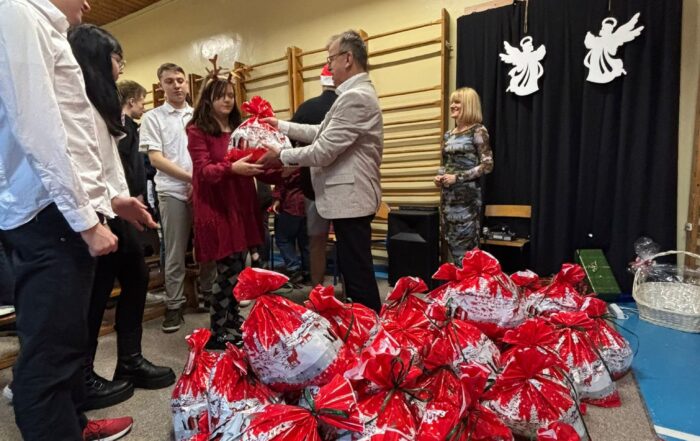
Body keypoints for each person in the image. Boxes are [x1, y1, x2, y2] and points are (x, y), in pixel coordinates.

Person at [0, 0, 135, 439]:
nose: (88, 3)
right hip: (49, 214)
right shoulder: (17, 13)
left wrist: (107, 201)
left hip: (58, 212)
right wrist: (84, 220)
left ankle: (73, 424)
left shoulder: (41, 24)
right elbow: (37, 127)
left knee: (68, 340)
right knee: (50, 353)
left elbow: (73, 134)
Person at [68, 24, 175, 411]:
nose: (121, 66)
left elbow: (110, 162)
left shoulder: (103, 101)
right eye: (117, 58)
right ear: (97, 59)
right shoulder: (75, 98)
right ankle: (81, 374)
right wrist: (96, 215)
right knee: (94, 293)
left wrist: (123, 202)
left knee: (136, 274)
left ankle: (129, 360)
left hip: (113, 205)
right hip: (91, 210)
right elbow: (78, 165)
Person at [259, 30, 383, 312]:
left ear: (347, 59)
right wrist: (280, 125)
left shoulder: (356, 97)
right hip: (348, 200)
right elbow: (319, 131)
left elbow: (322, 151)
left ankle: (370, 327)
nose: (329, 67)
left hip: (351, 200)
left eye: (331, 59)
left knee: (358, 274)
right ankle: (363, 323)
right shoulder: (351, 95)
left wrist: (281, 156)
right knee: (354, 270)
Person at [186, 73, 267, 349]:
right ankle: (218, 329)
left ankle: (231, 319)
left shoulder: (239, 127)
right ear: (208, 99)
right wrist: (232, 168)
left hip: (240, 202)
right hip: (217, 205)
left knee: (237, 267)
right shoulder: (197, 130)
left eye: (231, 95)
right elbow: (204, 171)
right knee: (228, 268)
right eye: (221, 95)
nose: (227, 100)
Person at [140, 62, 216, 332]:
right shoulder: (153, 118)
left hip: (202, 191)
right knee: (174, 251)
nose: (176, 85)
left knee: (207, 246)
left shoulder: (198, 116)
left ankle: (209, 294)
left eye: (180, 80)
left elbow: (209, 152)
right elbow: (156, 159)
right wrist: (191, 179)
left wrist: (201, 181)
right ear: (161, 86)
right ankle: (174, 304)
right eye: (170, 81)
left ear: (187, 83)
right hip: (172, 190)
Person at [289, 65, 338, 286]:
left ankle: (317, 290)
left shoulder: (306, 109)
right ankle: (351, 294)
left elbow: (289, 144)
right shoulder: (346, 105)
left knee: (316, 242)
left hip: (312, 187)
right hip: (343, 187)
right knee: (348, 243)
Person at [433, 87, 493, 263]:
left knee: (467, 251)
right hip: (448, 199)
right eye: (452, 102)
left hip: (467, 201)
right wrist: (439, 177)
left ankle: (469, 279)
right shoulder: (448, 135)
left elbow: (487, 165)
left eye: (457, 102)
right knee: (451, 242)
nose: (452, 105)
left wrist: (457, 177)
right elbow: (445, 165)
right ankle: (461, 279)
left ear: (468, 105)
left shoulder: (478, 130)